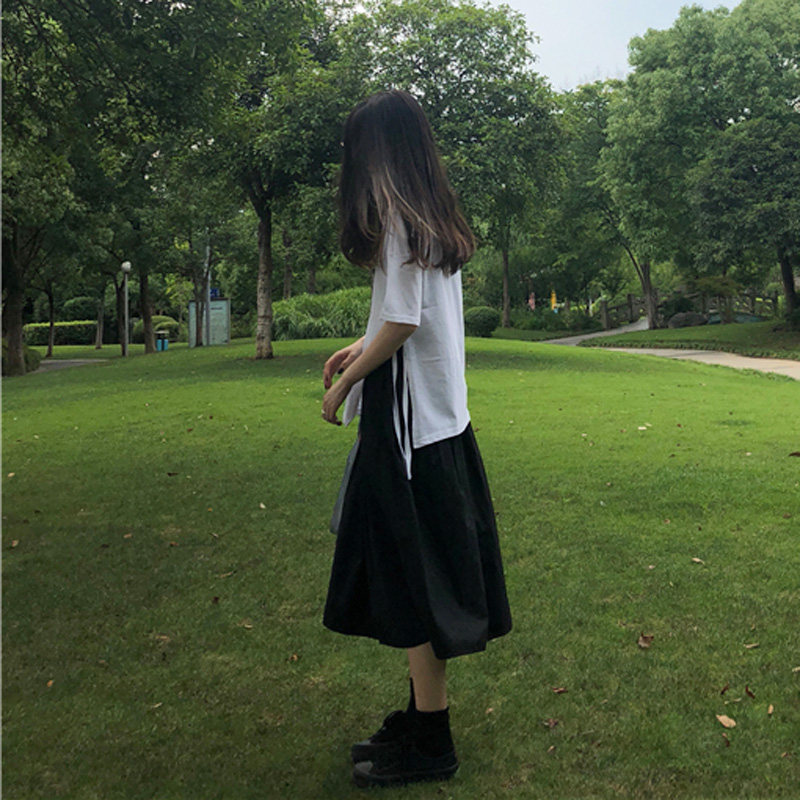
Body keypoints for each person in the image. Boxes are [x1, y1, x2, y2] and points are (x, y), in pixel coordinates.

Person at [320, 89, 513, 789]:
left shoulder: (399, 219)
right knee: (417, 579)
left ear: (378, 151)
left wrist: (345, 384)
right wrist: (358, 346)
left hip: (409, 435)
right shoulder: (429, 218)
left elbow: (404, 324)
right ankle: (419, 717)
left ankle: (431, 740)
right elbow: (405, 316)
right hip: (440, 425)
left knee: (413, 585)